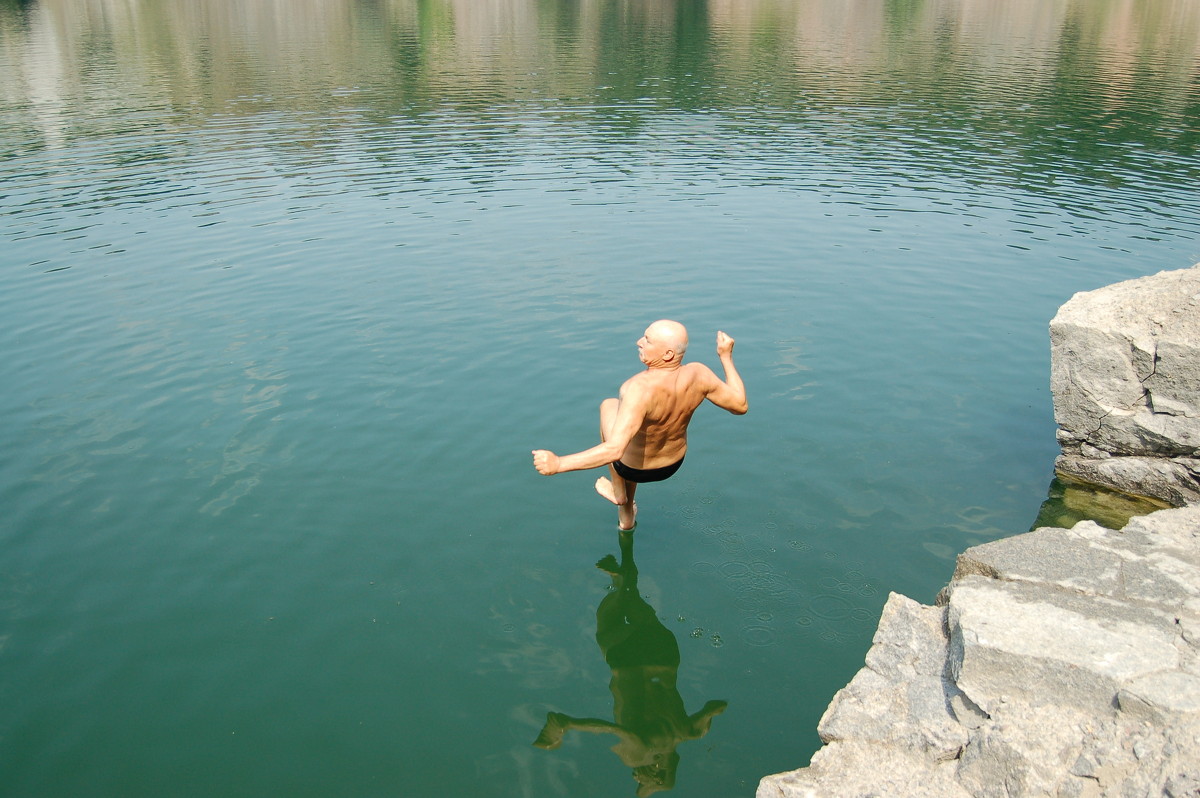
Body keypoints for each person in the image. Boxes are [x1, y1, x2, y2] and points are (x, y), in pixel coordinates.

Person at [532, 320, 747, 530]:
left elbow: (614, 450)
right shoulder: (700, 374)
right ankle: (626, 518)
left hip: (632, 469)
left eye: (648, 340)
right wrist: (725, 357)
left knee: (609, 405)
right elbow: (740, 405)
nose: (639, 342)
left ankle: (619, 492)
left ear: (668, 354)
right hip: (673, 464)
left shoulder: (638, 389)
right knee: (634, 429)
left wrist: (559, 464)